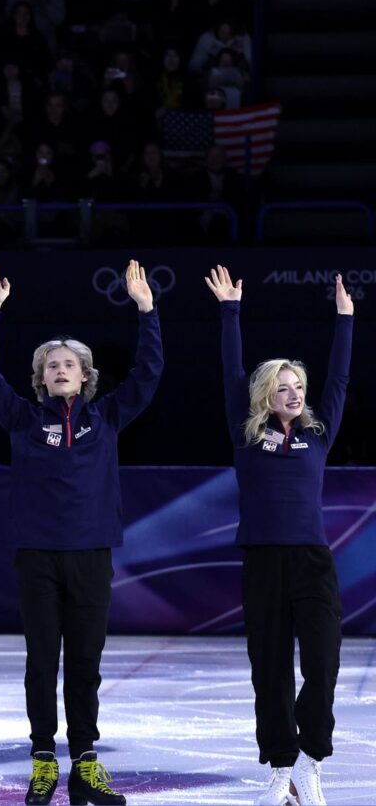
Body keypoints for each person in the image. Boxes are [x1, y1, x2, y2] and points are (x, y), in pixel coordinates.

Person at [0, 260, 162, 806]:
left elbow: (148, 373)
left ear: (84, 375)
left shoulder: (108, 417)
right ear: (41, 377)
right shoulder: (23, 418)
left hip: (92, 554)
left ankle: (86, 763)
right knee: (40, 664)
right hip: (37, 556)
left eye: (69, 364)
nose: (59, 369)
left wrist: (147, 310)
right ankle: (43, 761)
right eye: (51, 364)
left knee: (85, 665)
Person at [204, 265, 353, 806]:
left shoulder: (319, 432)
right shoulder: (246, 436)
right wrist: (230, 311)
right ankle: (280, 767)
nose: (293, 393)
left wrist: (345, 319)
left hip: (313, 562)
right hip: (263, 563)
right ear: (266, 396)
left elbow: (339, 380)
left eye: (298, 387)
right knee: (269, 671)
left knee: (323, 662)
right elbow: (230, 370)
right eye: (282, 388)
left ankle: (310, 761)